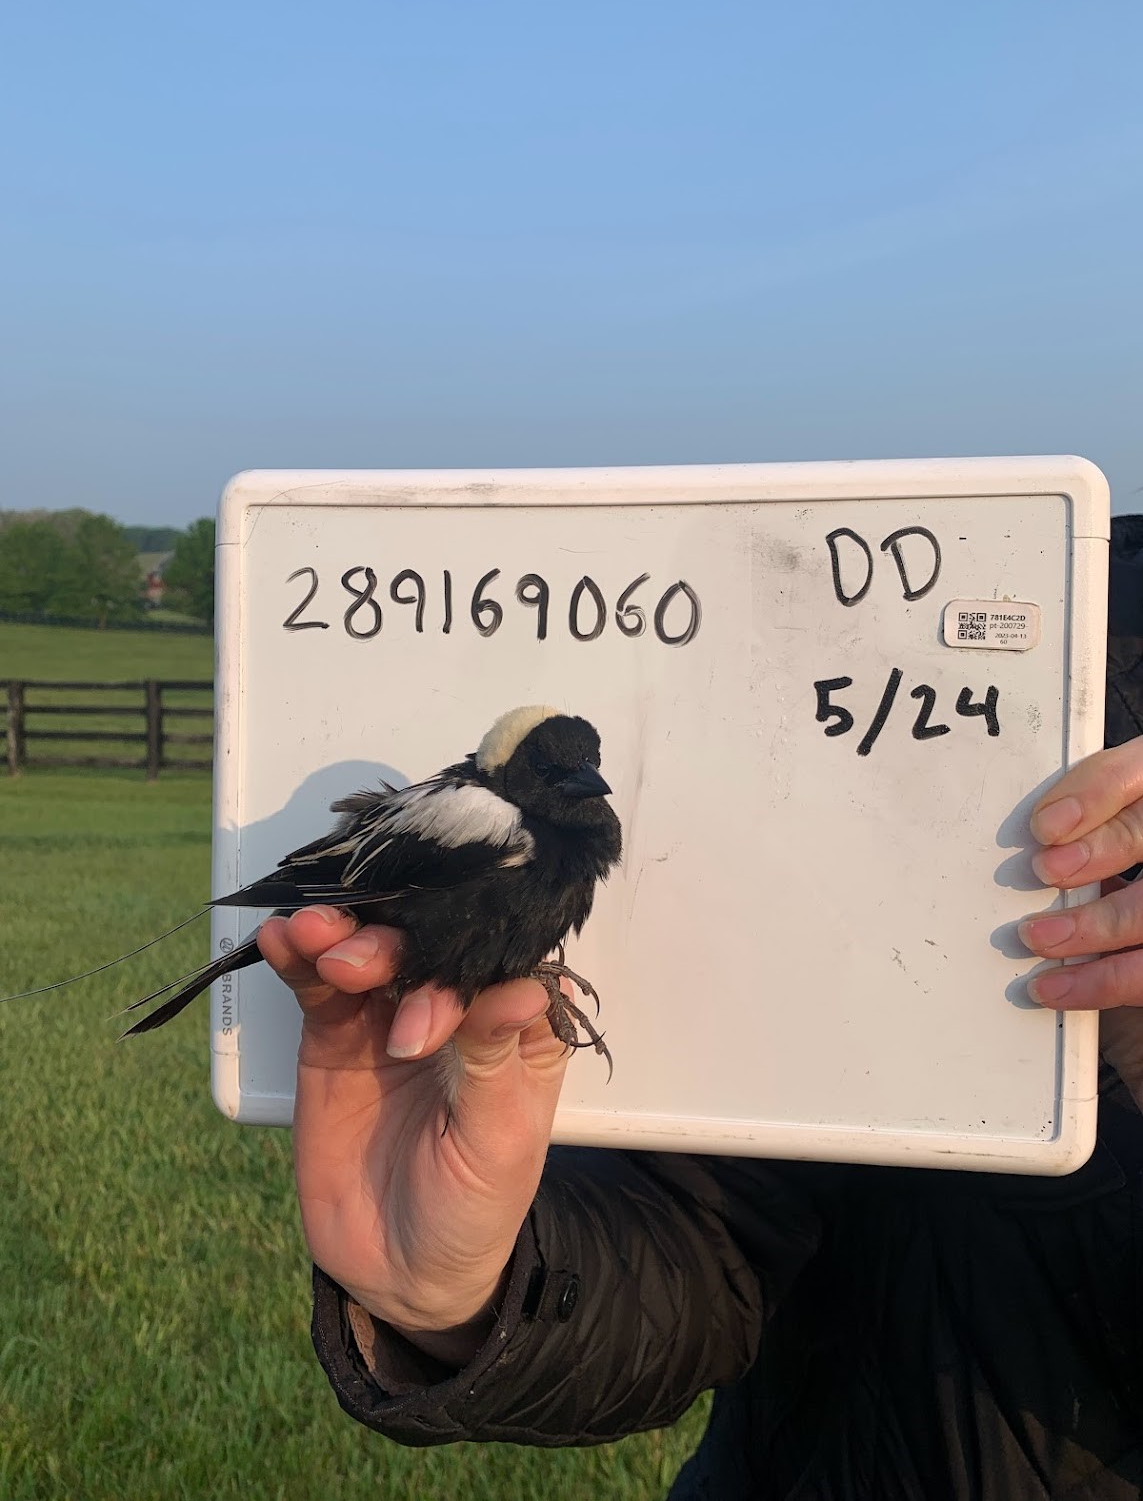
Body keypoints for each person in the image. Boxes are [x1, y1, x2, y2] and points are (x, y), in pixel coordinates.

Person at [259, 620, 1143, 1498]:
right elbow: (715, 1222)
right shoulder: (1012, 622)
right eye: (562, 774)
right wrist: (464, 1294)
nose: (590, 785)